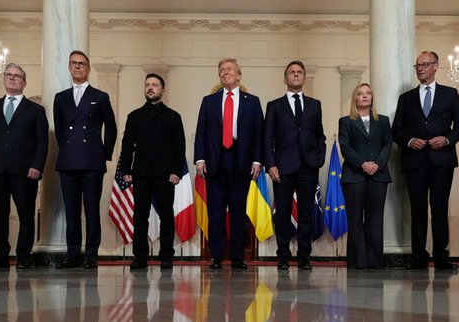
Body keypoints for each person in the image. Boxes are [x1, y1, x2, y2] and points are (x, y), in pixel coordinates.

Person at [392, 51, 459, 271]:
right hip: (414, 161)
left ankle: (441, 257)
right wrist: (410, 141)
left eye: (425, 64)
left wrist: (446, 139)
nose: (420, 69)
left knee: (440, 208)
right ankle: (418, 256)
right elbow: (396, 131)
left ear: (436, 66)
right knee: (417, 210)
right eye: (417, 66)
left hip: (441, 161)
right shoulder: (405, 98)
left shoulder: (450, 94)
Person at [0, 63, 49, 270]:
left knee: (26, 215)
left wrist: (37, 166)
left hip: (25, 171)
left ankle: (24, 256)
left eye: (17, 76)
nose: (12, 78)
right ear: (4, 79)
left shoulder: (35, 110)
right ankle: (0, 256)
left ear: (24, 82)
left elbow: (42, 142)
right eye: (8, 74)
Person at [194, 58, 264, 270]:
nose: (226, 73)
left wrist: (257, 160)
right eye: (222, 70)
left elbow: (258, 134)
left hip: (241, 162)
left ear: (239, 75)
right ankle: (216, 256)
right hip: (215, 162)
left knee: (237, 213)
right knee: (215, 213)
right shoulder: (209, 101)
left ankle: (236, 257)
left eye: (230, 70)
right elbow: (201, 132)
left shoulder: (252, 101)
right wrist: (200, 159)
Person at [53, 50, 117, 269]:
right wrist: (67, 151)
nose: (78, 67)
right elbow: (60, 130)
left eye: (82, 64)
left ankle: (91, 254)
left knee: (91, 210)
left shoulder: (100, 97)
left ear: (88, 69)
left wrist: (104, 154)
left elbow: (112, 128)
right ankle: (72, 255)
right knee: (71, 212)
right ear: (69, 68)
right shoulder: (60, 97)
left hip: (92, 162)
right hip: (68, 161)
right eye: (74, 63)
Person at [117, 73, 186, 270]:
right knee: (139, 216)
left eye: (155, 85)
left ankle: (166, 256)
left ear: (163, 90)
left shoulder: (173, 116)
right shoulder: (134, 116)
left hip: (165, 174)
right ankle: (140, 257)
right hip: (140, 173)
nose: (150, 88)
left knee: (166, 215)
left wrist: (176, 171)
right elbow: (127, 145)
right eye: (147, 84)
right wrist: (125, 170)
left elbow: (179, 146)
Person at [263, 60, 326, 271]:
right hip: (282, 168)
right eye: (292, 72)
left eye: (299, 72)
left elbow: (320, 136)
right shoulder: (274, 106)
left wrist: (319, 159)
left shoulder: (314, 105)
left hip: (308, 167)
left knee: (306, 213)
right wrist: (270, 165)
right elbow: (267, 138)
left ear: (304, 78)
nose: (296, 75)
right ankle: (282, 255)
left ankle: (304, 256)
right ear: (285, 79)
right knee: (282, 213)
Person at [338, 83, 392, 269]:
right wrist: (363, 164)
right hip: (354, 176)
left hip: (379, 175)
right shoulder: (346, 121)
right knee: (355, 220)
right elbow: (345, 147)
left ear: (372, 98)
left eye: (368, 93)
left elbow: (387, 145)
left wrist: (377, 165)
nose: (365, 96)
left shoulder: (383, 121)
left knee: (375, 219)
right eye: (360, 93)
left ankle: (375, 261)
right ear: (355, 98)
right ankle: (358, 261)